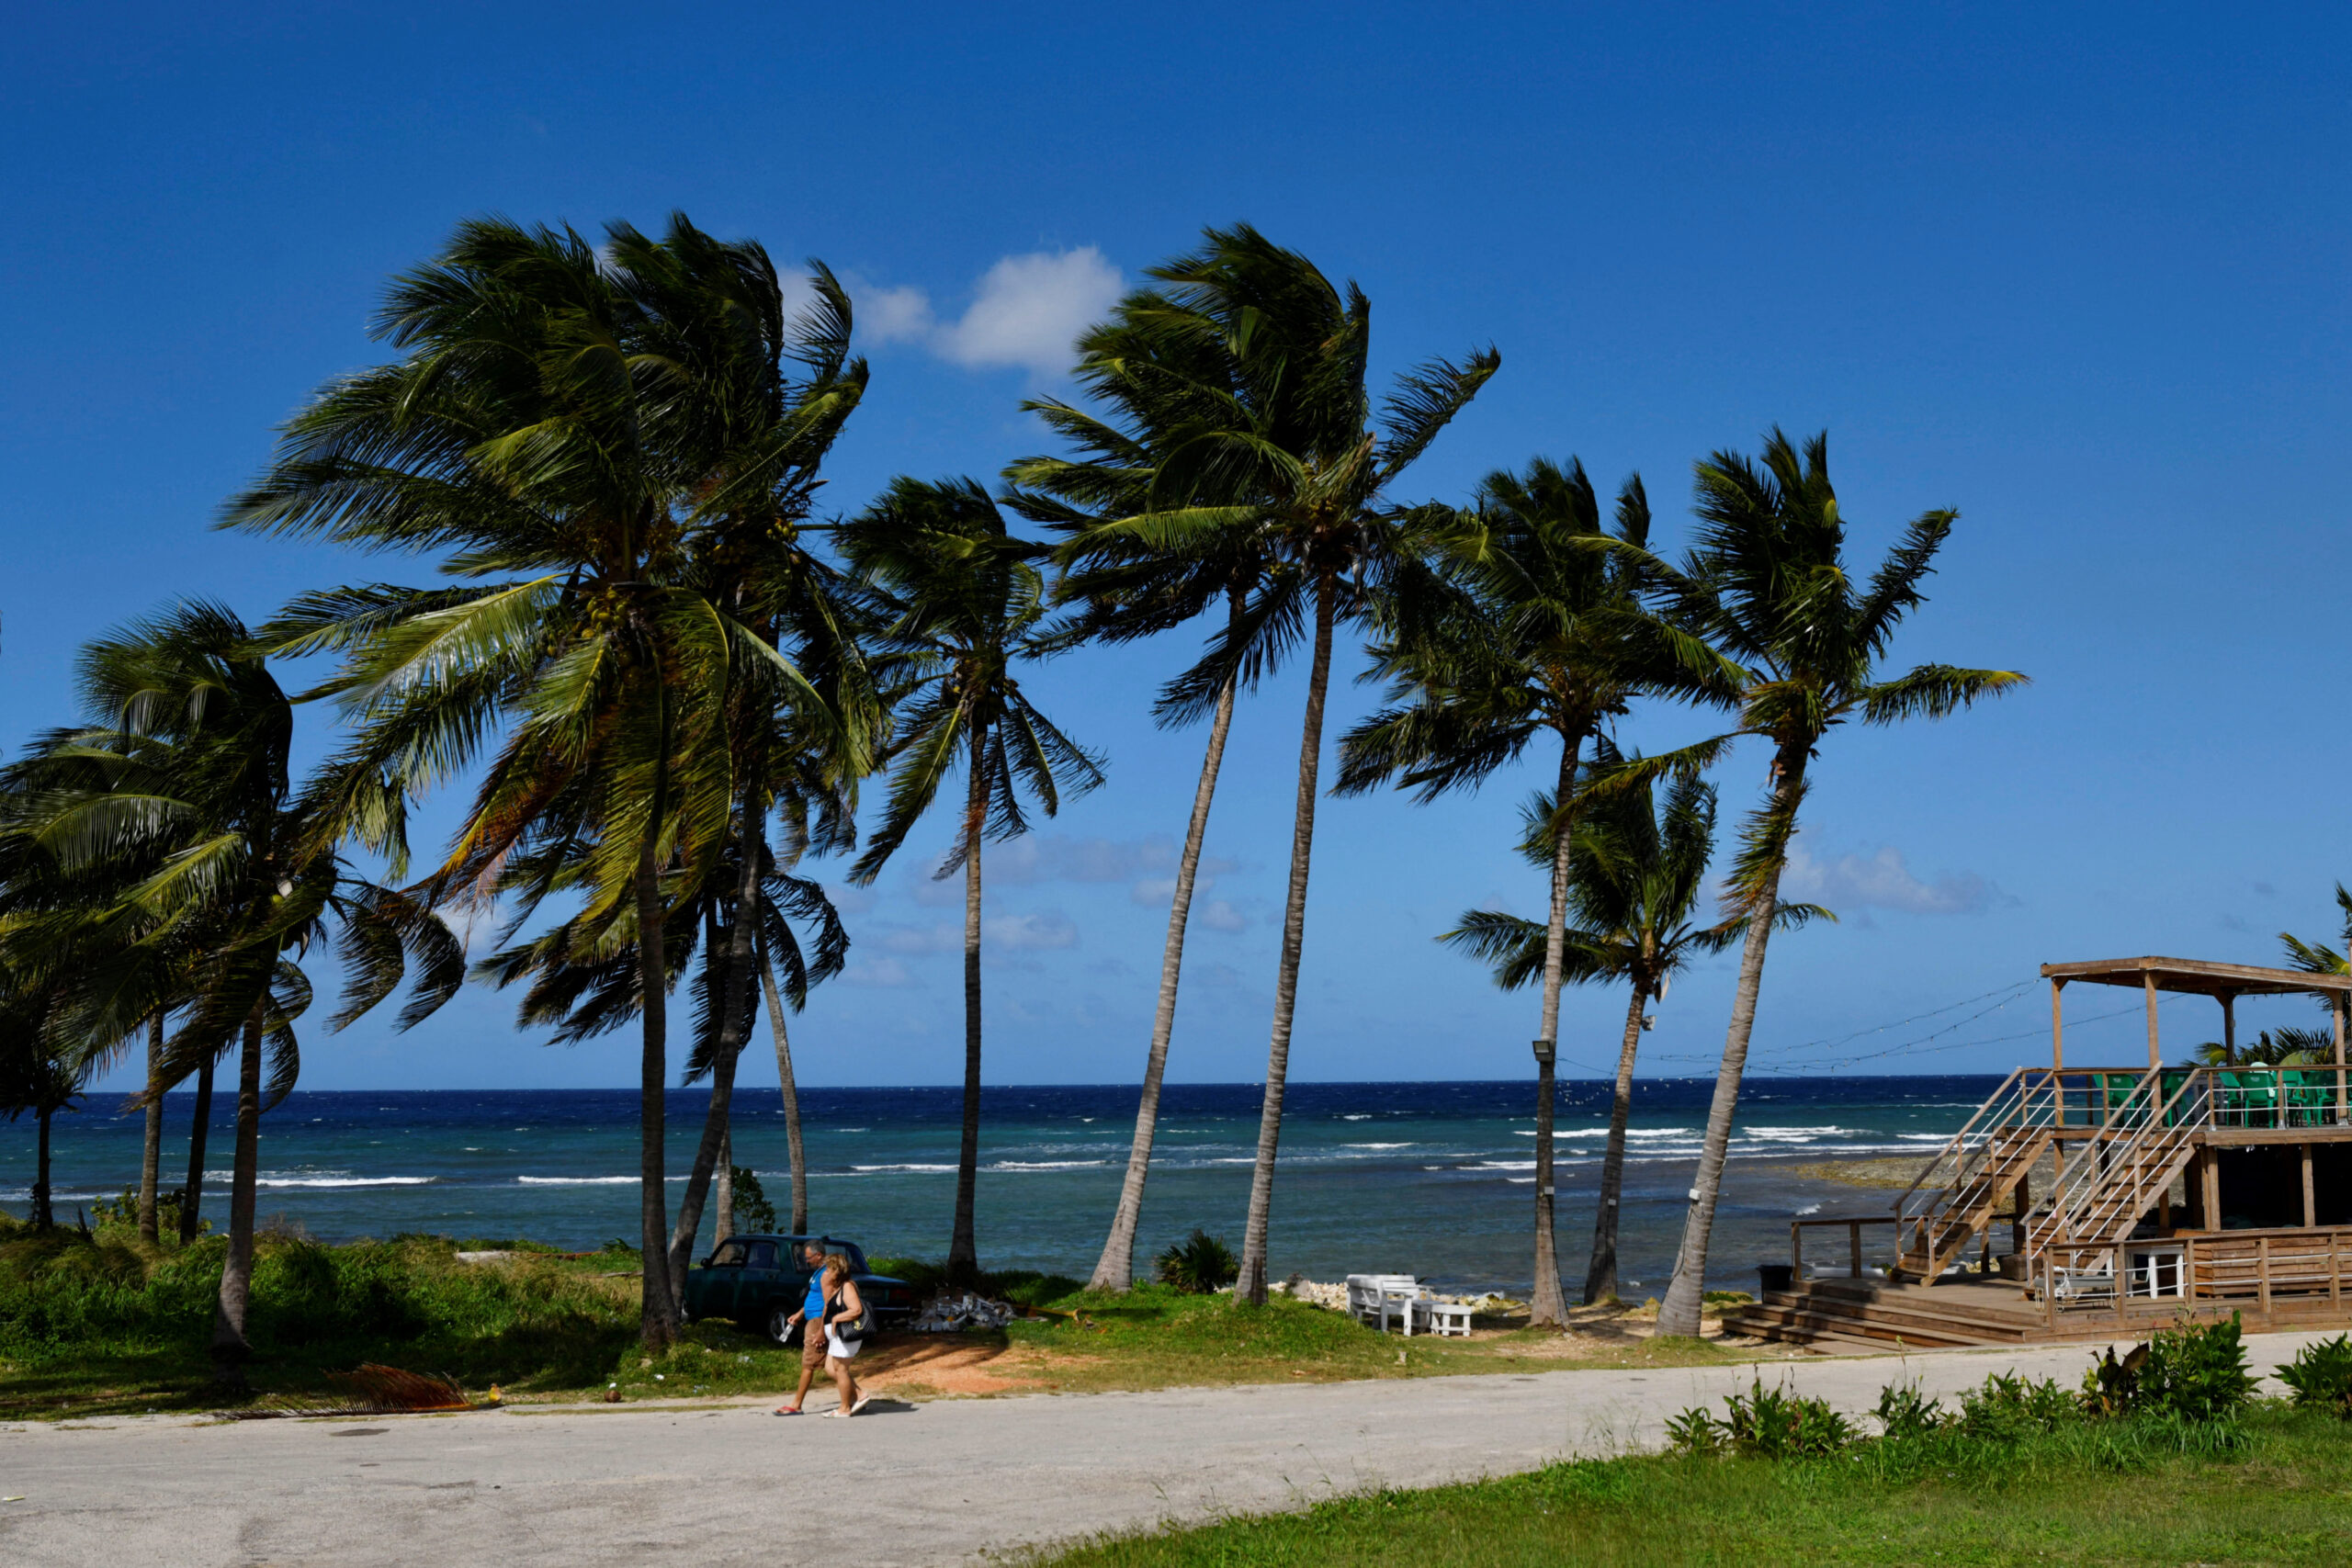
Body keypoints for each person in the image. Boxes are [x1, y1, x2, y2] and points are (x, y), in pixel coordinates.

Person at [773, 1239, 835, 1416]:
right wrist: (800, 1314)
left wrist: (821, 1330)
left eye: (809, 1258)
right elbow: (814, 1298)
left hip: (817, 1322)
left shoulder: (826, 1274)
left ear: (819, 1255)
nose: (807, 1261)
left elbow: (828, 1303)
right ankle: (858, 1395)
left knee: (809, 1364)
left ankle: (796, 1404)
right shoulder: (817, 1273)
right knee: (834, 1365)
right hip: (811, 1319)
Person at [813, 1252, 871, 1417]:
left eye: (829, 1269)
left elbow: (856, 1309)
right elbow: (827, 1308)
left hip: (845, 1336)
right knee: (831, 1369)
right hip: (836, 1338)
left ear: (837, 1270)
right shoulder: (836, 1288)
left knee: (841, 1369)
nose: (826, 1272)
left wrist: (837, 1318)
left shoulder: (847, 1286)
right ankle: (859, 1394)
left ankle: (844, 1408)